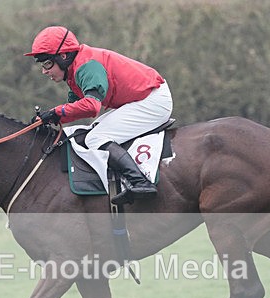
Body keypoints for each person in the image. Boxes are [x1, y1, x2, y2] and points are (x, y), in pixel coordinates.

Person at [25, 26, 173, 204]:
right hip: (141, 99)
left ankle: (140, 182)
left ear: (63, 56)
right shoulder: (74, 71)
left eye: (47, 64)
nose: (44, 71)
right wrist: (50, 118)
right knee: (92, 132)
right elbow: (74, 107)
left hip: (153, 100)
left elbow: (91, 107)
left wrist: (56, 113)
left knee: (95, 138)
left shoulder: (87, 66)